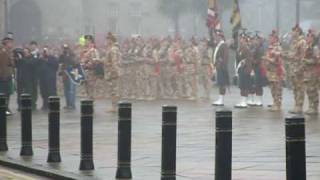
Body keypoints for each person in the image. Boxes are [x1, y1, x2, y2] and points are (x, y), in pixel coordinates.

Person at [283, 25, 307, 114]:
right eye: (292, 31)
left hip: (299, 69)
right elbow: (291, 54)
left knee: (300, 88)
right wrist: (285, 55)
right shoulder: (294, 42)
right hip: (293, 68)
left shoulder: (302, 42)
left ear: (298, 32)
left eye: (294, 31)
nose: (292, 33)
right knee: (295, 88)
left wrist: (300, 68)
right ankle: (296, 105)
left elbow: (303, 57)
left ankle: (299, 106)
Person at [263, 32, 284, 111]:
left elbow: (277, 61)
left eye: (271, 38)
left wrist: (267, 59)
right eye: (269, 37)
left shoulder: (278, 47)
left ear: (275, 38)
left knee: (277, 88)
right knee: (272, 88)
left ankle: (278, 104)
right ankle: (274, 103)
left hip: (276, 72)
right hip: (271, 72)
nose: (269, 39)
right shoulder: (270, 47)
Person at [104, 32, 121, 113]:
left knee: (114, 90)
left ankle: (114, 107)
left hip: (113, 72)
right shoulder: (112, 48)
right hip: (112, 71)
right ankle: (114, 106)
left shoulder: (113, 49)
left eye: (107, 39)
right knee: (113, 90)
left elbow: (114, 62)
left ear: (111, 40)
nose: (106, 41)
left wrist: (113, 71)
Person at [303, 30, 319, 115]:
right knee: (308, 90)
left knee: (313, 89)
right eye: (307, 36)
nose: (307, 38)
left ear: (313, 38)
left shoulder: (315, 48)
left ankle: (314, 107)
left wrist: (307, 61)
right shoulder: (307, 47)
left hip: (313, 72)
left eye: (309, 36)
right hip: (307, 71)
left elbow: (317, 60)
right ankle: (310, 106)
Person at [212, 31, 230, 106]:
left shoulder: (223, 45)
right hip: (218, 67)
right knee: (220, 83)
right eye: (215, 36)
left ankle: (221, 100)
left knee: (222, 83)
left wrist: (221, 64)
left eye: (217, 36)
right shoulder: (219, 45)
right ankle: (220, 98)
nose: (215, 37)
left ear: (220, 37)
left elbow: (225, 57)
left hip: (222, 67)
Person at [80, 35, 101, 99]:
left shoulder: (94, 50)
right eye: (86, 40)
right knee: (87, 88)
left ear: (91, 42)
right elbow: (81, 59)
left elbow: (96, 60)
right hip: (85, 71)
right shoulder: (84, 50)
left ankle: (91, 102)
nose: (86, 42)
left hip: (91, 71)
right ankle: (89, 99)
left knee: (91, 87)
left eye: (88, 41)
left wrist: (87, 64)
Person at [59, 44, 77, 110]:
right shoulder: (62, 55)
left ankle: (72, 104)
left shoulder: (72, 55)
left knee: (72, 89)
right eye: (64, 48)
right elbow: (60, 64)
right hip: (65, 73)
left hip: (72, 72)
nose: (65, 49)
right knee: (66, 89)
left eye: (66, 48)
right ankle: (68, 104)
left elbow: (75, 64)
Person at [0, 35, 14, 115]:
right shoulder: (3, 52)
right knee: (4, 93)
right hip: (4, 77)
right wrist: (4, 76)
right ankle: (4, 108)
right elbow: (4, 65)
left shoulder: (8, 52)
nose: (11, 44)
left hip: (7, 76)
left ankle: (6, 107)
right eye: (10, 43)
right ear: (6, 43)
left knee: (7, 93)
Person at [29, 41, 40, 110]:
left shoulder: (38, 53)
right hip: (29, 74)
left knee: (35, 89)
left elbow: (37, 62)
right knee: (30, 89)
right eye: (32, 45)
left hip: (36, 74)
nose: (33, 46)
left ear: (36, 46)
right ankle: (31, 102)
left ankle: (34, 102)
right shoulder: (28, 53)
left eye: (34, 45)